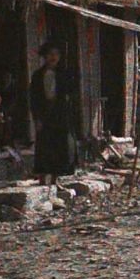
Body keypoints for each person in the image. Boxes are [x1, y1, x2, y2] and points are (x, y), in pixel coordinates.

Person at [28, 42, 78, 186]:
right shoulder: (38, 75)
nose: (53, 57)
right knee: (44, 146)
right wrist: (37, 117)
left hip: (60, 113)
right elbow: (34, 98)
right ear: (45, 56)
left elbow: (71, 92)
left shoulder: (64, 74)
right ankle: (43, 179)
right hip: (44, 114)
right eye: (50, 54)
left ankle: (56, 180)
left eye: (56, 54)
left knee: (59, 146)